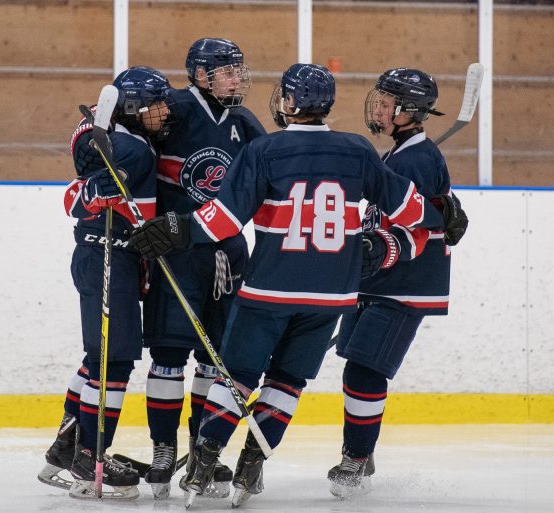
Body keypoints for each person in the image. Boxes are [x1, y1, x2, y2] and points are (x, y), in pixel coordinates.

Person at [128, 63, 451, 508]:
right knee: (287, 380)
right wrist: (445, 211)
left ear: (291, 104)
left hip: (271, 289)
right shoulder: (359, 151)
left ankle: (204, 461)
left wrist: (175, 229)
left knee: (238, 376)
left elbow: (222, 220)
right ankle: (252, 464)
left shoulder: (265, 150)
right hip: (333, 296)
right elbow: (416, 212)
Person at [326, 68, 466, 498]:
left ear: (409, 112)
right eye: (381, 101)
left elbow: (418, 231)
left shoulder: (417, 158)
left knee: (365, 370)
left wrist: (376, 250)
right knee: (355, 365)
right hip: (381, 282)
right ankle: (360, 451)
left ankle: (356, 459)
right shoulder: (401, 155)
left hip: (403, 285)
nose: (379, 108)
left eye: (388, 103)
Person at [37, 66, 174, 500]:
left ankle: (65, 449)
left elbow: (87, 129)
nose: (165, 110)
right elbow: (74, 199)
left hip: (106, 257)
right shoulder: (130, 149)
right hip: (106, 255)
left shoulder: (113, 130)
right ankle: (89, 459)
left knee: (98, 356)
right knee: (113, 361)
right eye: (156, 104)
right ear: (132, 109)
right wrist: (101, 194)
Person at [140, 37, 267, 500]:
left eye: (238, 70)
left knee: (216, 361)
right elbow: (116, 124)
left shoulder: (245, 123)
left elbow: (281, 172)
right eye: (227, 71)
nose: (237, 79)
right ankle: (160, 451)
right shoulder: (170, 107)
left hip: (229, 257)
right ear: (199, 74)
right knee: (169, 356)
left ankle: (200, 452)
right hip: (177, 252)